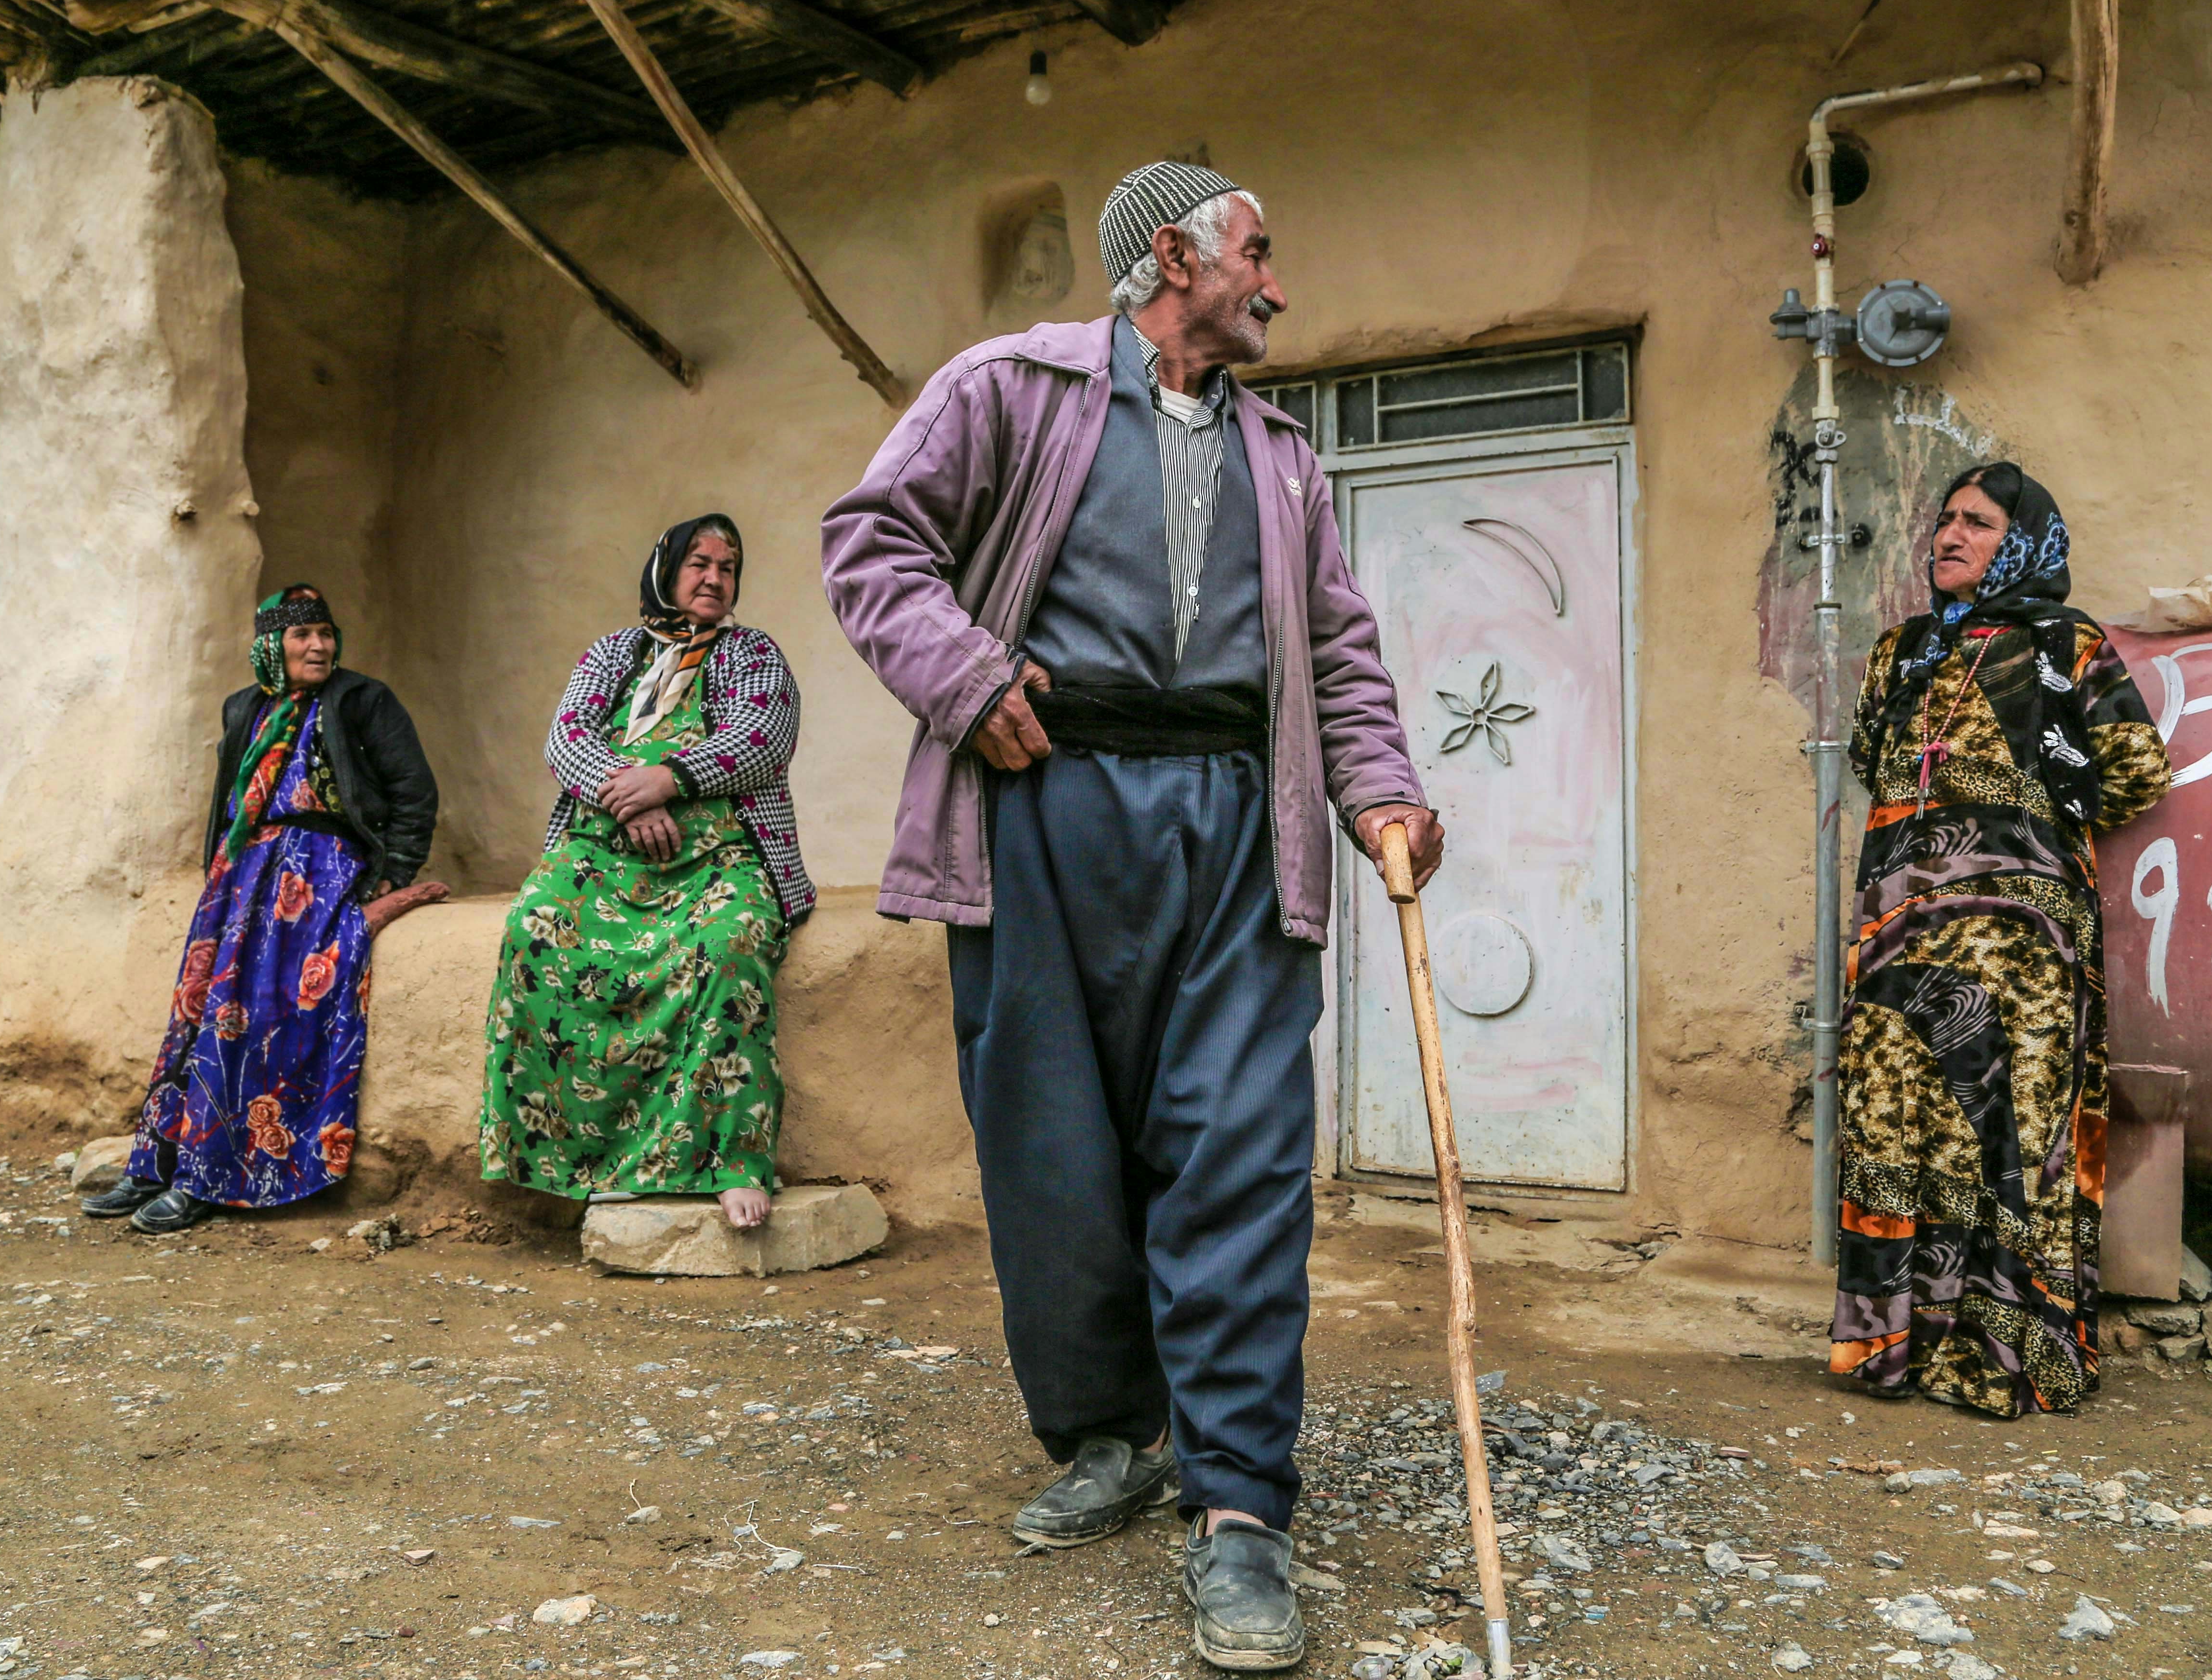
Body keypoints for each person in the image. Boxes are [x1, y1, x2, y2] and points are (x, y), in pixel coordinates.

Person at [821, 162, 1439, 1671]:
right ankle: (1108, 1434)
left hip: (1235, 826)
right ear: (1173, 256)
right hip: (1045, 810)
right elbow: (871, 542)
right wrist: (967, 682)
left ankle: (1240, 1507)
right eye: (1259, 253)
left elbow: (1341, 654)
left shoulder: (1285, 459)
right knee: (1052, 1151)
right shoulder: (1009, 389)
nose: (1278, 283)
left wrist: (1382, 794)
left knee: (1237, 1150)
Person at [1832, 464, 2173, 1417]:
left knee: (2012, 1138)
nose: (1950, 536)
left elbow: (2138, 769)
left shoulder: (2068, 647)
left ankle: (2000, 1357)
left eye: (1976, 524)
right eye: (1943, 520)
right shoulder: (1899, 652)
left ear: (2020, 542)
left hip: (2023, 959)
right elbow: (1873, 758)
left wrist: (2034, 816)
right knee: (1899, 1121)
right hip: (1904, 939)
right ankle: (1896, 1348)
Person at [476, 515, 814, 1232]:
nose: (714, 579)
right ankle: (579, 1163)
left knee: (730, 948)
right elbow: (566, 737)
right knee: (532, 928)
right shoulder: (614, 653)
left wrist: (672, 778)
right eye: (699, 563)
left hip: (720, 859)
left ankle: (730, 1163)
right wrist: (631, 797)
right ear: (667, 569)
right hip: (601, 852)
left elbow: (763, 739)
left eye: (728, 568)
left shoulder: (752, 653)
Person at [84, 585, 447, 1236]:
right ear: (271, 645)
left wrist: (391, 875)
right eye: (303, 635)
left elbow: (412, 790)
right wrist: (216, 877)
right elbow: (228, 798)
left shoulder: (362, 701)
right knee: (197, 1013)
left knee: (265, 1020)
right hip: (241, 876)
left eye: (326, 633)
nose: (319, 645)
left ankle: (214, 1177)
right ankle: (157, 1162)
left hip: (317, 871)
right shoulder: (244, 708)